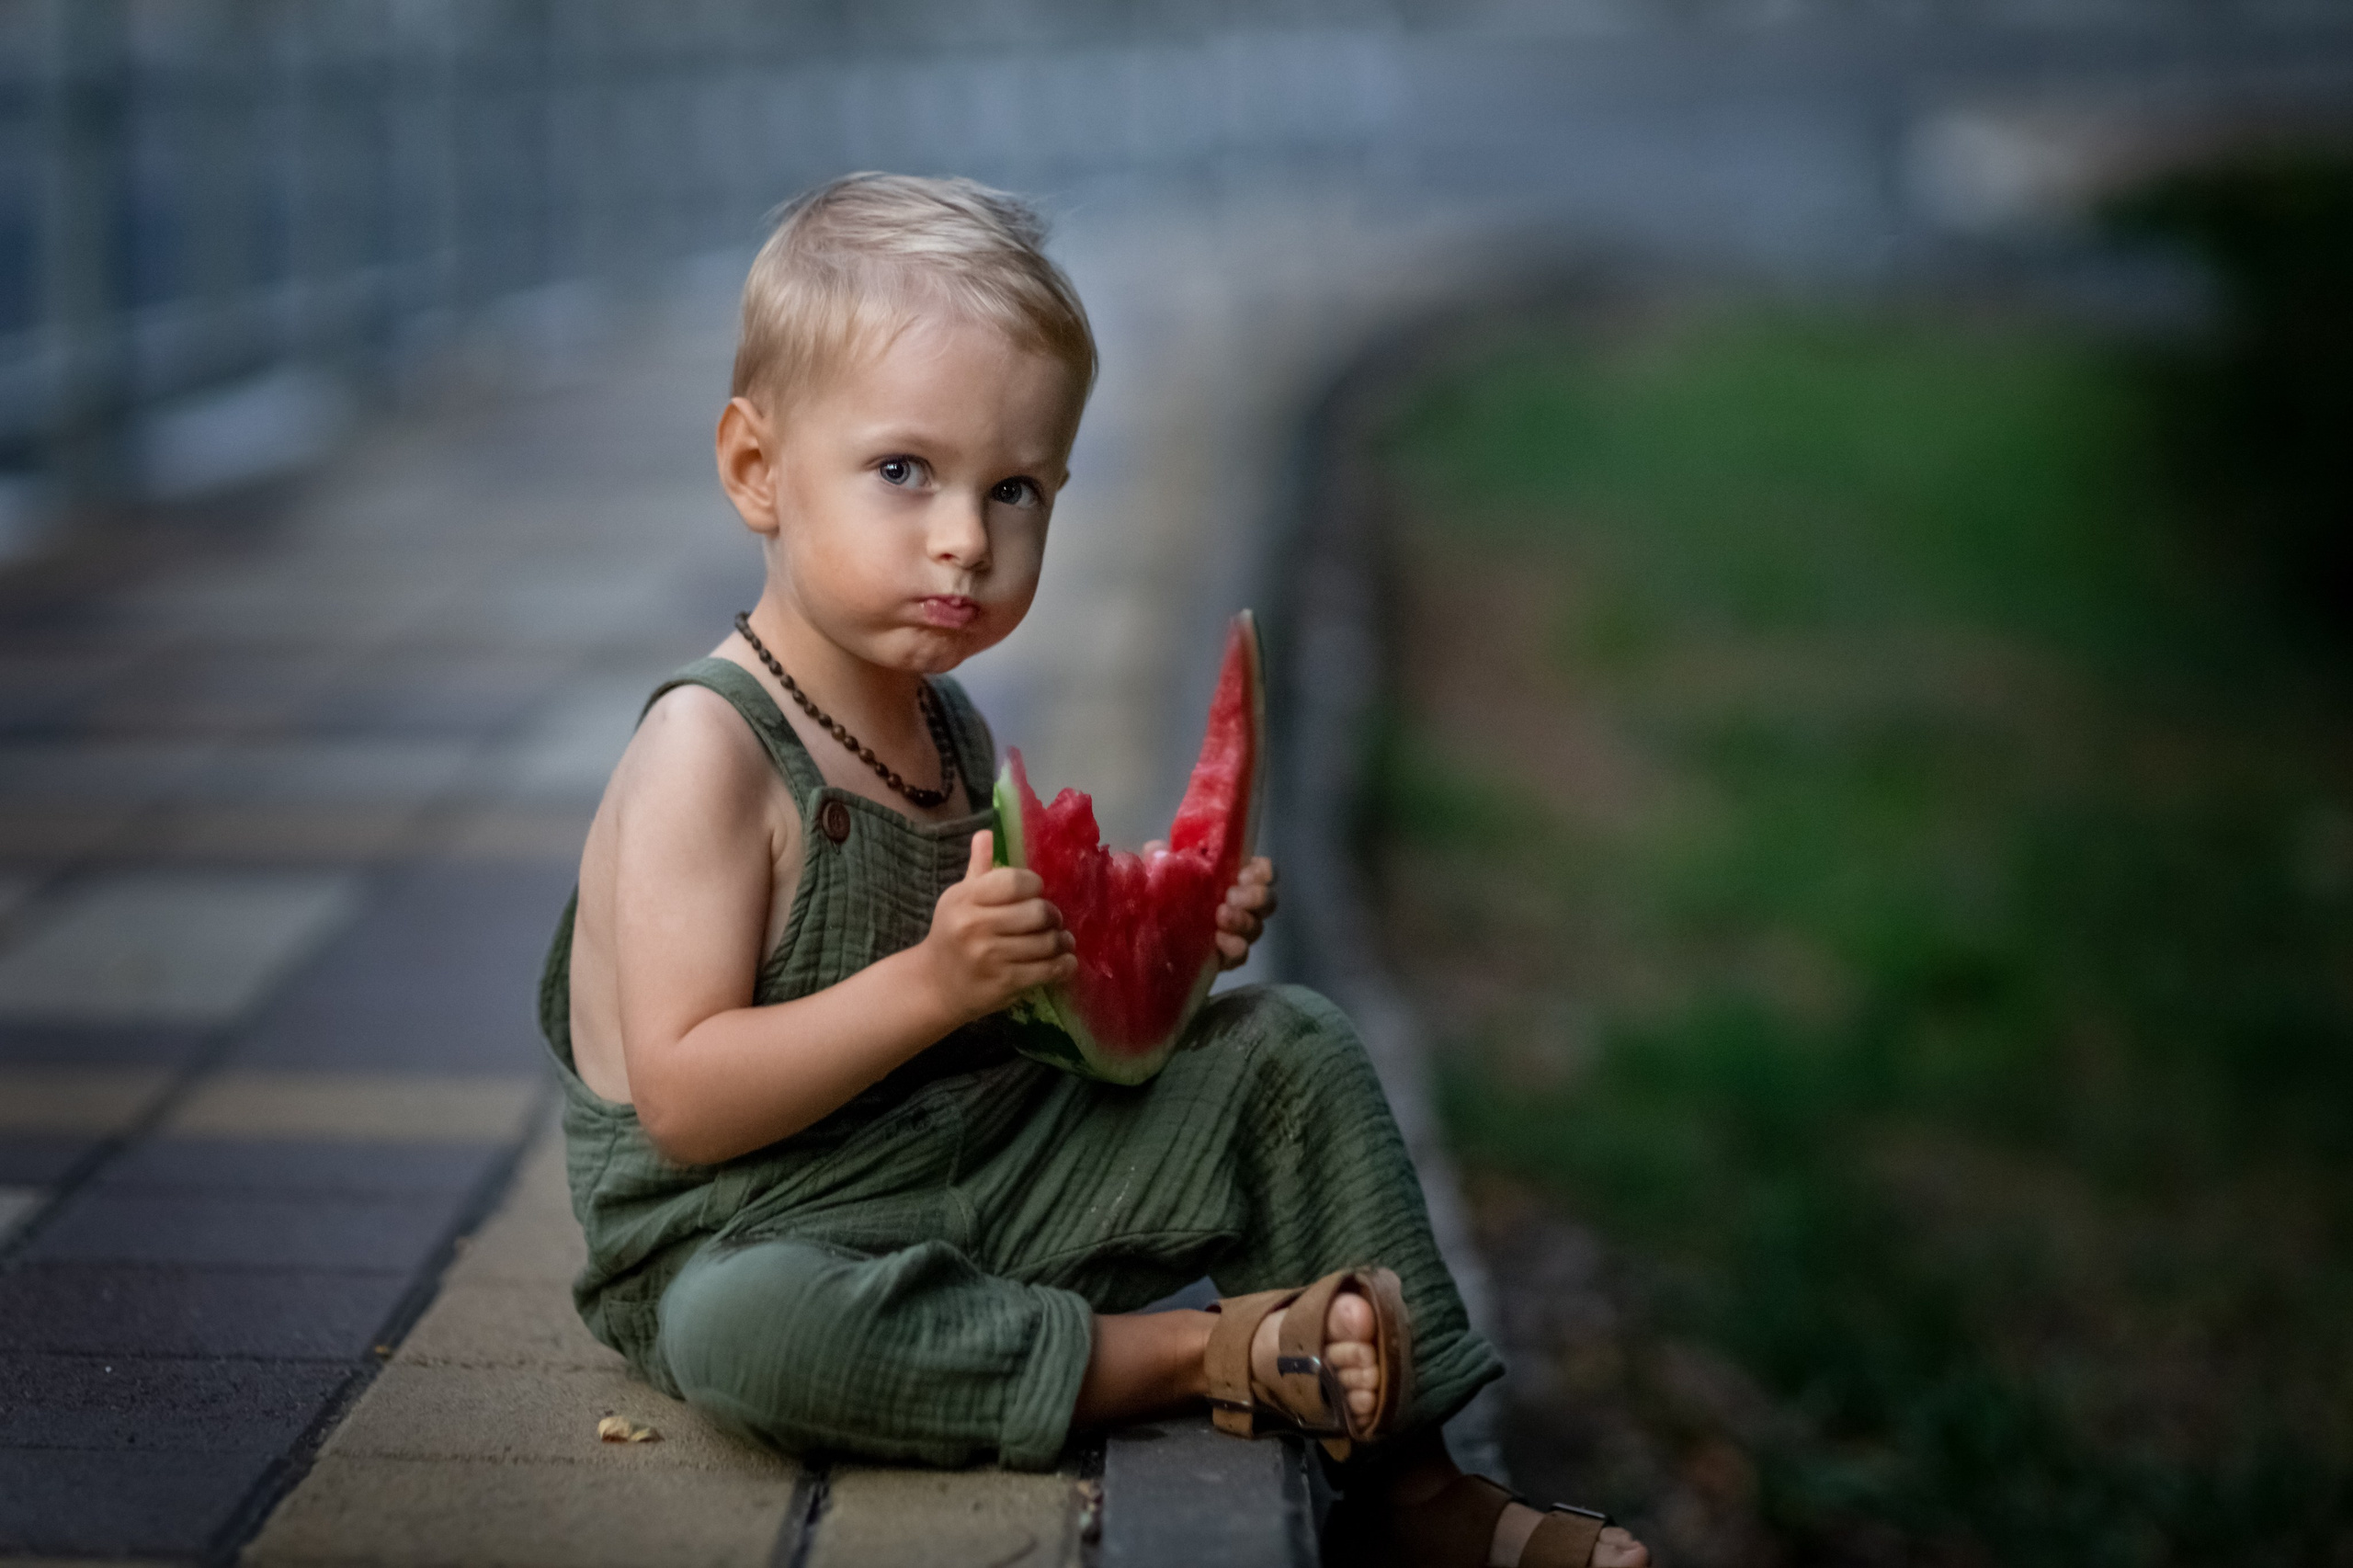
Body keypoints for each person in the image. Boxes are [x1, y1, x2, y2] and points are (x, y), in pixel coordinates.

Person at [538, 172, 1649, 1568]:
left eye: (1015, 489)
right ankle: (1204, 1353)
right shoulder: (711, 749)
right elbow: (687, 1097)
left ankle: (1423, 1488)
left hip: (953, 1183)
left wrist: (1161, 951)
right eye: (904, 472)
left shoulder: (948, 724)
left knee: (1290, 1047)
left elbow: (1020, 1021)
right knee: (744, 1340)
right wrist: (936, 980)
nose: (967, 538)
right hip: (745, 1235)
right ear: (757, 467)